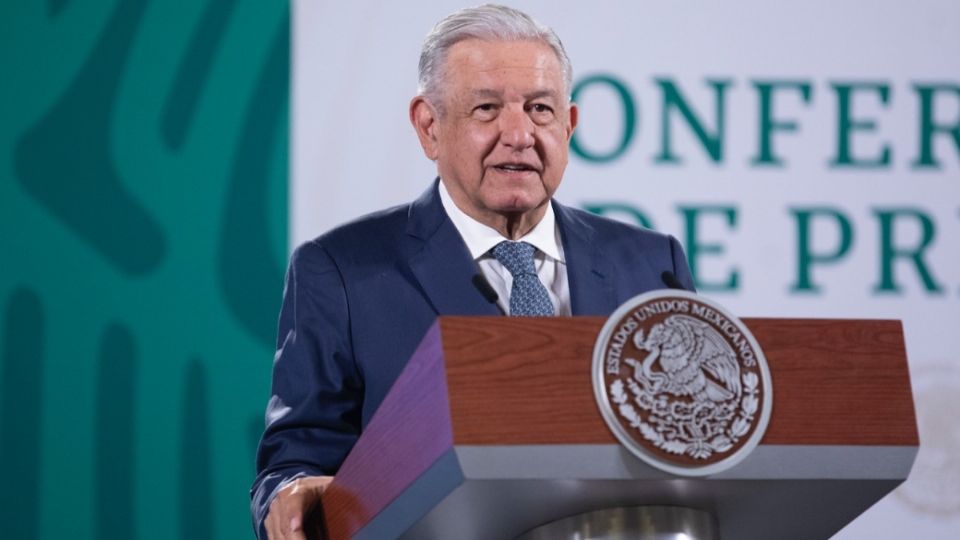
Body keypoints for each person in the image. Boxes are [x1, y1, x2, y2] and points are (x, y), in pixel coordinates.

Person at [251, 5, 694, 539]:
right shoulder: (341, 271)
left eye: (539, 109)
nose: (519, 134)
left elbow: (698, 439)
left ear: (569, 125)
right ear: (429, 126)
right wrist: (291, 492)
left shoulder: (652, 264)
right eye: (486, 109)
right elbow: (294, 460)